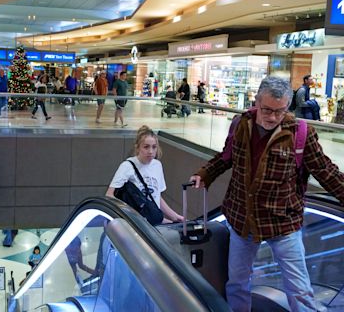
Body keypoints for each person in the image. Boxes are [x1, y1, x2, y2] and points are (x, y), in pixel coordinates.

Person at [189, 76, 344, 312]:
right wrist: (205, 174)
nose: (272, 117)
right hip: (243, 220)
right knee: (238, 284)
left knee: (299, 289)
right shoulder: (241, 124)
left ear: (288, 108)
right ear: (257, 101)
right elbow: (226, 157)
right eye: (267, 110)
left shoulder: (300, 133)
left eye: (280, 111)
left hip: (283, 223)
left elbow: (325, 171)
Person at [106, 125, 184, 223]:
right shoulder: (127, 166)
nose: (150, 151)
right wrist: (129, 216)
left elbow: (156, 196)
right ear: (138, 148)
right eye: (146, 147)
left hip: (152, 220)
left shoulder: (157, 165)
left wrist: (174, 216)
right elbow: (109, 195)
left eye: (154, 147)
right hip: (136, 223)